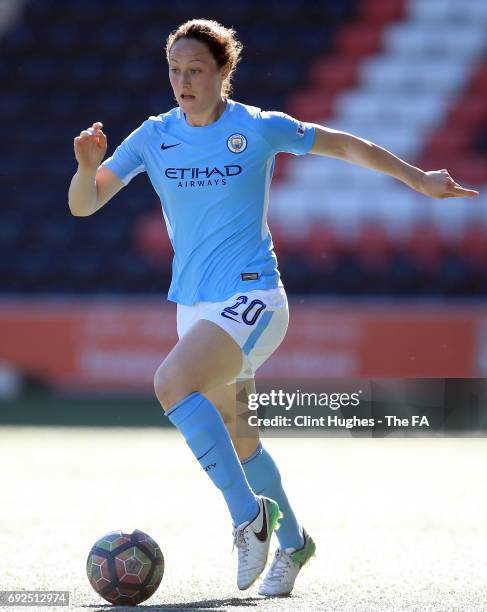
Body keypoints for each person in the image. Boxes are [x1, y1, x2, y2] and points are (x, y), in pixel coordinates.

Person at [68, 19, 479, 597]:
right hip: (195, 306)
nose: (183, 81)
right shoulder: (153, 135)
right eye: (175, 70)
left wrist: (417, 179)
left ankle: (248, 518)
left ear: (222, 74)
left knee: (169, 383)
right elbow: (85, 205)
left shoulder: (256, 128)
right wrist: (87, 167)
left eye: (196, 71)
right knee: (239, 437)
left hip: (253, 295)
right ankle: (294, 543)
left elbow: (342, 143)